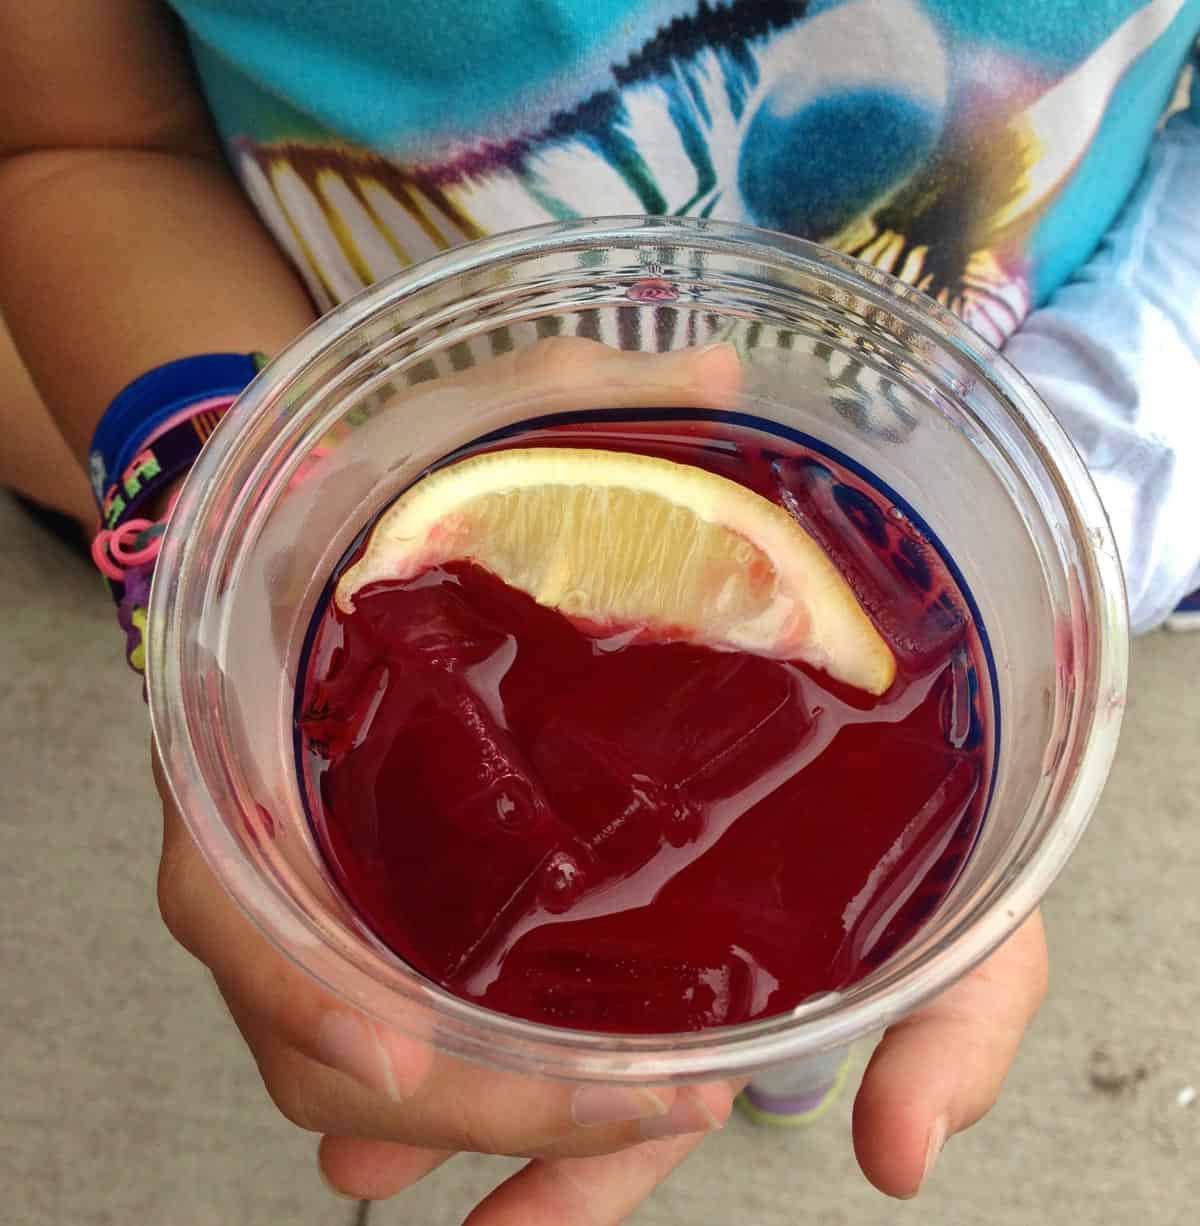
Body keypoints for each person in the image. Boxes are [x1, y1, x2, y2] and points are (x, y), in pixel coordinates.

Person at [1, 2, 1195, 1219]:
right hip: (363, 401)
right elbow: (89, 140)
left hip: (968, 425)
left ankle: (790, 1053)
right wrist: (226, 520)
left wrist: (1096, 461)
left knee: (824, 989)